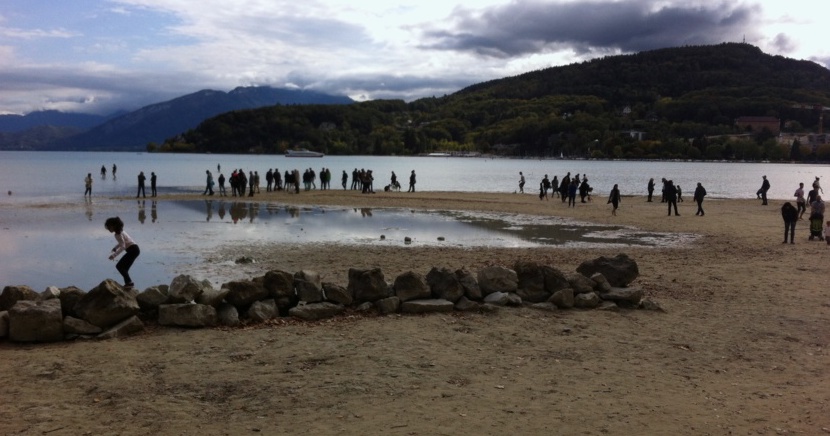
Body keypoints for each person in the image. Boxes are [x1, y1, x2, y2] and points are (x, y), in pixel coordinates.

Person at [105, 216, 140, 288]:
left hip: (133, 250)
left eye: (109, 227)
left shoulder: (118, 234)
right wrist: (115, 248)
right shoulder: (121, 232)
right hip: (135, 249)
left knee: (119, 266)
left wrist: (114, 255)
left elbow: (123, 246)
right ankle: (128, 284)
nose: (108, 229)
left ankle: (129, 283)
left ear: (114, 226)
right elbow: (122, 243)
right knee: (124, 268)